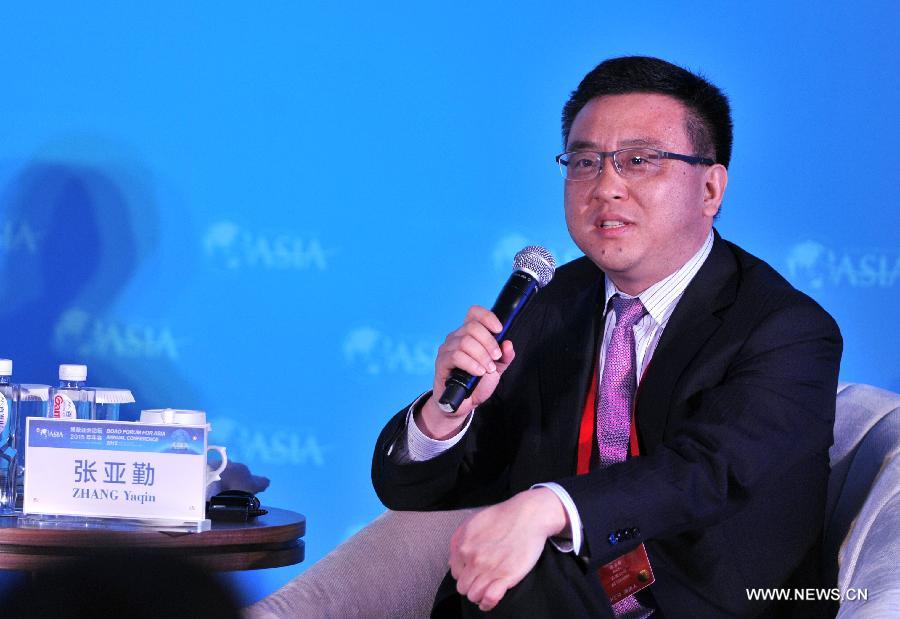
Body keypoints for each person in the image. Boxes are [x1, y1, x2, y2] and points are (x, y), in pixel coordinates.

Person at [372, 56, 842, 618]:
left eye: (638, 161)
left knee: (526, 583)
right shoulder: (548, 301)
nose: (606, 187)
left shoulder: (785, 327)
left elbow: (708, 471)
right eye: (585, 162)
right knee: (508, 585)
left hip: (705, 593)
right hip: (565, 581)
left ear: (710, 188)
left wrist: (548, 507)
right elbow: (415, 491)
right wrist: (445, 414)